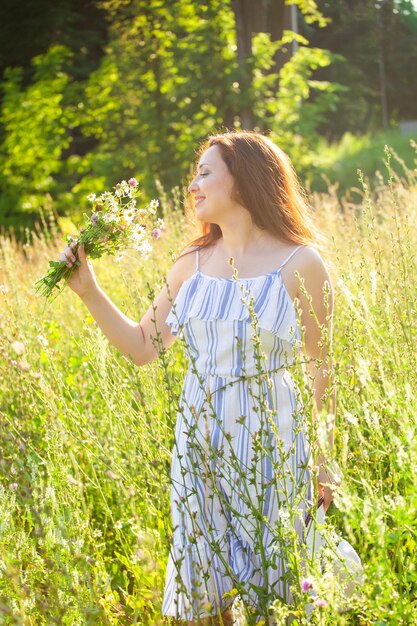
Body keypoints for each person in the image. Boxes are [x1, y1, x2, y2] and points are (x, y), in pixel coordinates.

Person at [61, 131, 336, 625]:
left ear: (247, 179)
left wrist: (326, 457)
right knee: (203, 601)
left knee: (282, 595)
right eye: (196, 173)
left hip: (272, 441)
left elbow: (322, 365)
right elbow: (144, 348)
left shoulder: (301, 263)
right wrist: (89, 291)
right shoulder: (191, 264)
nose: (193, 184)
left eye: (206, 172)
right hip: (200, 442)